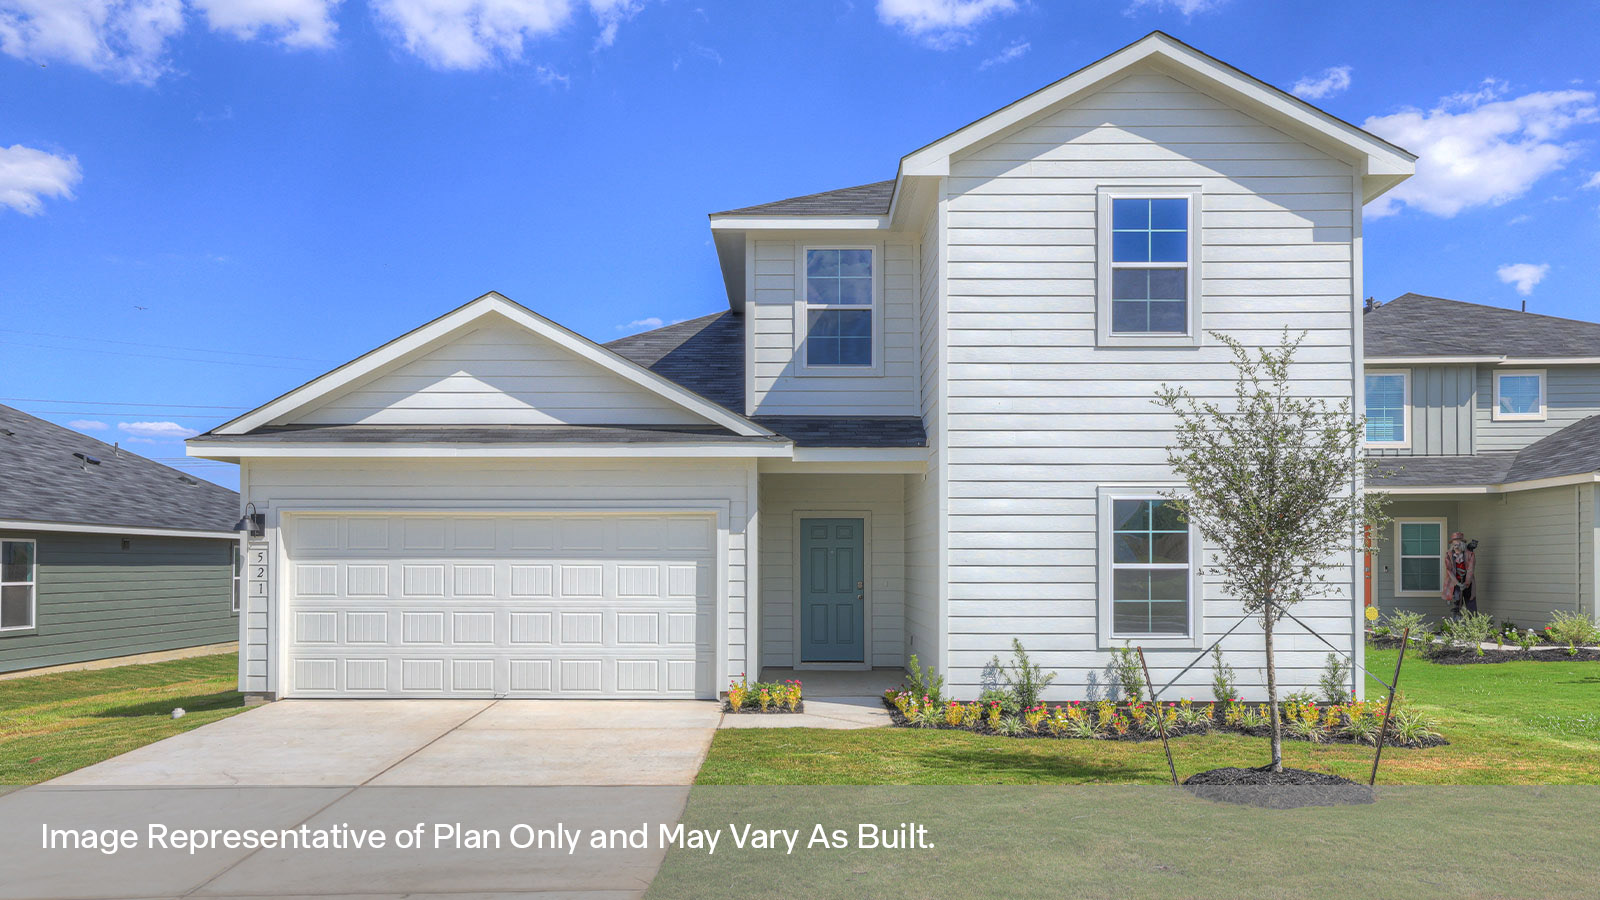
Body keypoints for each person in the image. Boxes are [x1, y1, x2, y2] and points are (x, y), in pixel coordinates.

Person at [1442, 532, 1477, 615]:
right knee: (1457, 603)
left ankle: (1473, 623)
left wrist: (1466, 583)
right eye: (1454, 545)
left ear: (1462, 544)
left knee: (1470, 603)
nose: (1456, 547)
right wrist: (1458, 583)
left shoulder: (1470, 554)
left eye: (1458, 544)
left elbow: (1470, 570)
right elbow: (1449, 570)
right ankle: (1456, 623)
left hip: (1468, 582)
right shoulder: (1449, 555)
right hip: (1455, 582)